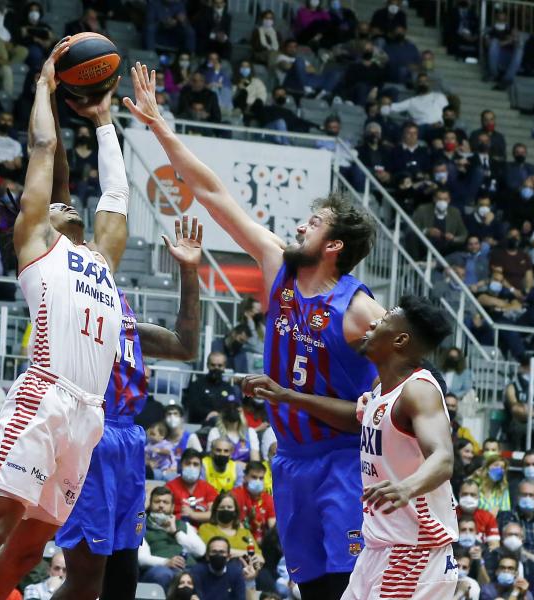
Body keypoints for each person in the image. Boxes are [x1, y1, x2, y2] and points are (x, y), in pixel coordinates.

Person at [125, 60, 386, 599]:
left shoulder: (362, 311)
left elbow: (410, 386)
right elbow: (213, 192)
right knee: (308, 586)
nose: (297, 227)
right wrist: (159, 125)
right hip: (288, 459)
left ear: (334, 246)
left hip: (341, 460)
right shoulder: (277, 266)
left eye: (312, 224)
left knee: (346, 586)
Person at [0, 44, 124, 600]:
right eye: (59, 205)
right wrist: (44, 88)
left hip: (88, 414)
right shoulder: (36, 246)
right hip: (44, 397)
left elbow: (116, 192)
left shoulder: (102, 259)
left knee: (29, 546)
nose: (68, 205)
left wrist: (105, 122)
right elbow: (43, 145)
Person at [54, 88, 204, 599]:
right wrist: (58, 121)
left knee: (122, 576)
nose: (84, 233)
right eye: (71, 229)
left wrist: (190, 273)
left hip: (127, 440)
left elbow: (185, 345)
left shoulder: (116, 306)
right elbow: (89, 198)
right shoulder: (61, 282)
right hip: (89, 433)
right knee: (84, 582)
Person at [268, 295, 454, 599]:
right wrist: (288, 396)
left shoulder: (419, 391)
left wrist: (407, 487)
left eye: (383, 321)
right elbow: (356, 419)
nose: (371, 323)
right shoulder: (381, 390)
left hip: (414, 551)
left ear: (400, 340)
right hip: (377, 547)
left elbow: (444, 458)